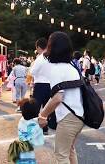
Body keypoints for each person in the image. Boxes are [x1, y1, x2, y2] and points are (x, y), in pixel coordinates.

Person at [38, 32, 84, 163]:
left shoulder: (56, 69)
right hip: (79, 115)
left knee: (61, 155)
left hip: (68, 117)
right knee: (69, 150)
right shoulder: (72, 66)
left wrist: (43, 115)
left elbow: (58, 97)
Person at [8, 98, 44, 163]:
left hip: (21, 150)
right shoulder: (35, 126)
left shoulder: (22, 120)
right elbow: (39, 142)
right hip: (28, 154)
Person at [30, 38, 53, 134]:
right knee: (47, 108)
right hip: (50, 85)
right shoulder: (51, 57)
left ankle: (35, 129)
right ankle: (45, 128)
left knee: (36, 108)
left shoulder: (40, 58)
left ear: (38, 47)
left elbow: (32, 72)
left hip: (40, 85)